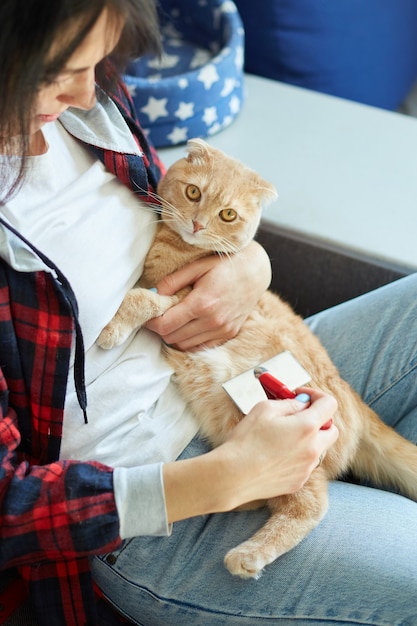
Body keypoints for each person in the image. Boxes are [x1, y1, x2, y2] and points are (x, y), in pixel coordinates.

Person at [0, 1, 415, 625]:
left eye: (98, 62)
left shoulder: (84, 102)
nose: (90, 90)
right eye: (60, 69)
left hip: (231, 363)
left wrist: (250, 264)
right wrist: (227, 477)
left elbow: (176, 210)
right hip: (159, 499)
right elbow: (10, 503)